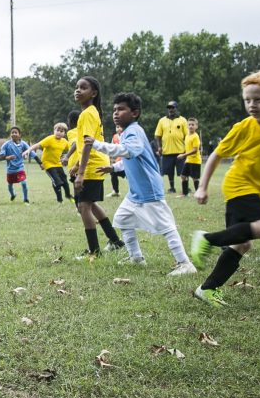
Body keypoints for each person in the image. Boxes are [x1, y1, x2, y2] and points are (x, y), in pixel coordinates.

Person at [84, 92, 197, 275]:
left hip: (149, 190)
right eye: (114, 109)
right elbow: (131, 159)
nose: (115, 113)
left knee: (166, 226)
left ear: (134, 113)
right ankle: (136, 257)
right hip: (135, 192)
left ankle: (185, 264)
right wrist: (113, 168)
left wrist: (97, 144)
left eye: (121, 109)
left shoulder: (134, 131)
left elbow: (129, 151)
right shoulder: (127, 132)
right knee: (122, 219)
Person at [189, 70, 260, 308]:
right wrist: (202, 187)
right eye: (247, 100)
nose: (252, 105)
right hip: (239, 184)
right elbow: (216, 155)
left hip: (259, 188)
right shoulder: (244, 127)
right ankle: (206, 238)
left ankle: (207, 289)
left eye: (259, 100)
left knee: (242, 242)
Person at [73, 76, 123, 256]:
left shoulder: (87, 113)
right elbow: (88, 142)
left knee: (83, 207)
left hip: (93, 165)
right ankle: (116, 241)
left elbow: (88, 143)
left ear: (93, 93)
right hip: (96, 162)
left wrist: (80, 173)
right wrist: (78, 164)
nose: (78, 90)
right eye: (77, 87)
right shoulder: (92, 111)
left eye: (83, 88)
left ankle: (94, 251)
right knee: (91, 205)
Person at [23, 123, 73, 203]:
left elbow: (71, 149)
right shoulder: (50, 139)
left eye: (62, 131)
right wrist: (28, 150)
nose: (59, 132)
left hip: (57, 163)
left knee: (65, 181)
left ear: (64, 133)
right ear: (54, 131)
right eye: (57, 130)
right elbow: (38, 145)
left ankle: (68, 195)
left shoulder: (64, 142)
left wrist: (67, 156)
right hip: (48, 163)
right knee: (57, 181)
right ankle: (60, 200)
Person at [154, 100, 188, 193]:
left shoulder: (182, 120)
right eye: (169, 108)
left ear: (176, 108)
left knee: (183, 170)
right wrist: (159, 147)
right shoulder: (162, 120)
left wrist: (187, 148)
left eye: (172, 107)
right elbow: (158, 135)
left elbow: (187, 135)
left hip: (180, 150)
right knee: (169, 172)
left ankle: (186, 187)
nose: (171, 109)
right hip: (167, 150)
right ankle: (172, 188)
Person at [1, 126, 41, 204]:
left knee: (23, 183)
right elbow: (1, 156)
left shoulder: (23, 144)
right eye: (12, 132)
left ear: (19, 135)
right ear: (10, 135)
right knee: (10, 185)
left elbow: (32, 153)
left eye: (16, 132)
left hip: (20, 168)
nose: (14, 134)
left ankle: (25, 199)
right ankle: (13, 195)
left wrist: (40, 163)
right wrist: (7, 157)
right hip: (10, 170)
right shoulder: (6, 145)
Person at [177, 118, 201, 198]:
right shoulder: (187, 135)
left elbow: (195, 150)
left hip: (195, 161)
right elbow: (188, 147)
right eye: (189, 124)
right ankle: (185, 194)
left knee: (195, 178)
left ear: (196, 126)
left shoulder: (195, 136)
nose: (191, 126)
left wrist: (183, 155)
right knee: (183, 176)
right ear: (187, 126)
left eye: (192, 125)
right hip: (188, 160)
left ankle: (198, 194)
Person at [108, 125, 126, 197]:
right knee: (113, 173)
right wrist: (111, 159)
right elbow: (111, 149)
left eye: (120, 127)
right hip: (119, 162)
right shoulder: (114, 137)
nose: (118, 128)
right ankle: (115, 191)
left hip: (127, 163)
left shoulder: (127, 135)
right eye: (117, 127)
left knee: (132, 177)